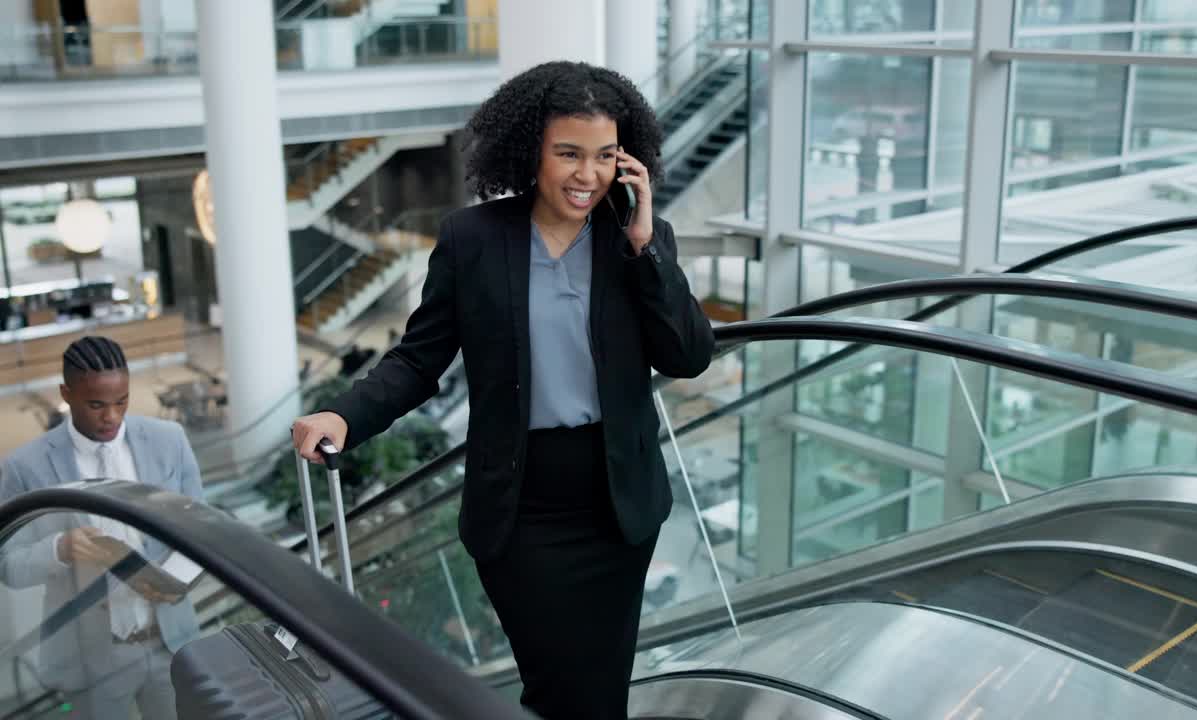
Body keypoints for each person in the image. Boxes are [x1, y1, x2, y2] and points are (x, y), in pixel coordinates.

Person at [292, 60, 715, 718]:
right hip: (522, 510)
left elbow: (688, 356)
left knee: (598, 693)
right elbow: (419, 358)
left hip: (619, 505)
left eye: (605, 156)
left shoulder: (637, 240)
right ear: (530, 151)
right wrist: (345, 417)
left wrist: (644, 248)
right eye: (568, 153)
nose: (587, 174)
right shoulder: (473, 239)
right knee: (557, 688)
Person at [0, 336, 204, 720]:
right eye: (96, 404)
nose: (112, 416)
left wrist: (177, 580)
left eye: (121, 401)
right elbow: (7, 564)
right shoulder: (25, 467)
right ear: (66, 393)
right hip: (91, 658)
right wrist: (60, 549)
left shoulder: (169, 441)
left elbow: (203, 528)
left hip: (172, 642)